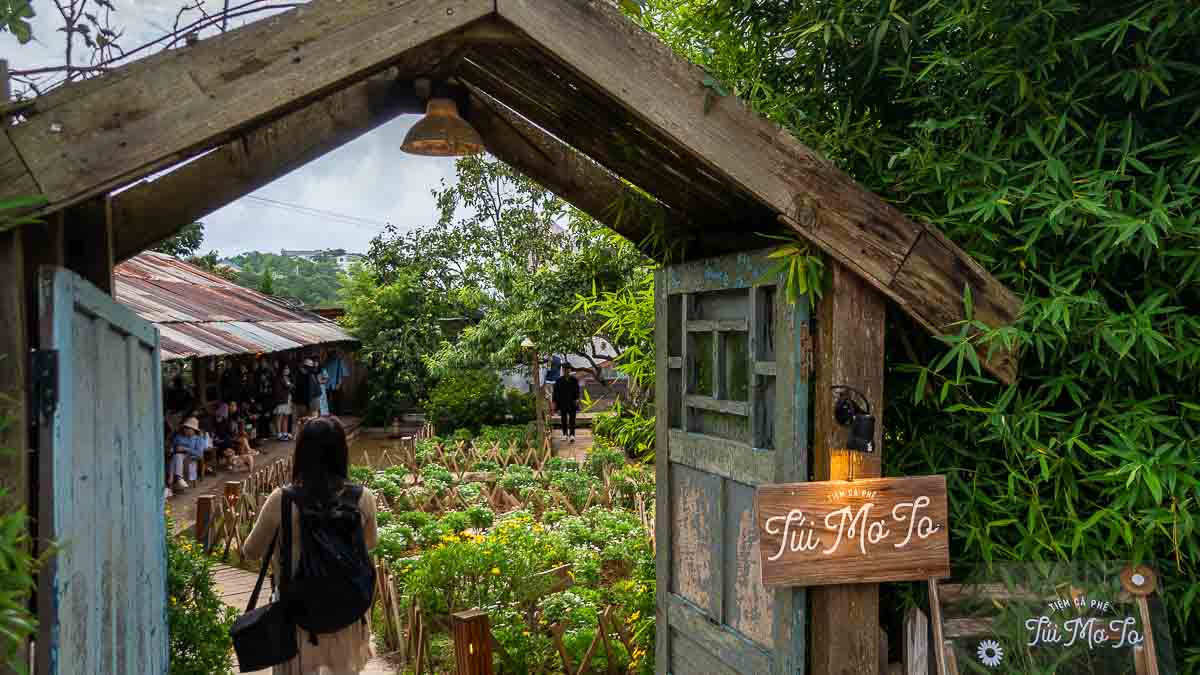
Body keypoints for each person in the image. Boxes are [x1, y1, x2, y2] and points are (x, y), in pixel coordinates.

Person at [242, 417, 378, 675]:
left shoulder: (282, 500)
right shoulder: (362, 498)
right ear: (341, 452)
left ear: (302, 452)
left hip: (297, 620)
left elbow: (251, 551)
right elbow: (369, 545)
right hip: (347, 617)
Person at [168, 417, 205, 490]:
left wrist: (185, 449)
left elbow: (200, 454)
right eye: (185, 428)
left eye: (188, 428)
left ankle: (172, 480)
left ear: (194, 430)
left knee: (176, 458)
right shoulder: (179, 437)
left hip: (190, 458)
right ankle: (178, 479)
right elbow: (172, 445)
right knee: (176, 456)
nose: (186, 430)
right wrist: (172, 448)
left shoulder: (198, 439)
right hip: (177, 455)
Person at [553, 364, 581, 442]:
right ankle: (564, 434)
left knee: (572, 420)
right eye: (564, 369)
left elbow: (577, 391)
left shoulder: (574, 380)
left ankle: (572, 435)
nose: (566, 371)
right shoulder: (559, 380)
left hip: (572, 402)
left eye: (567, 369)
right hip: (562, 402)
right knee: (563, 419)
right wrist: (554, 402)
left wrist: (577, 399)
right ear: (562, 370)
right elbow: (555, 392)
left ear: (570, 370)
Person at [273, 362, 295, 441]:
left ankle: (285, 433)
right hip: (281, 400)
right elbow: (279, 390)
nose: (287, 370)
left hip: (288, 399)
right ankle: (279, 434)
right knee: (279, 417)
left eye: (288, 368)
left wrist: (289, 386)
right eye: (285, 369)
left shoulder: (288, 378)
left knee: (286, 416)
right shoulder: (279, 378)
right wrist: (288, 386)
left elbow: (291, 386)